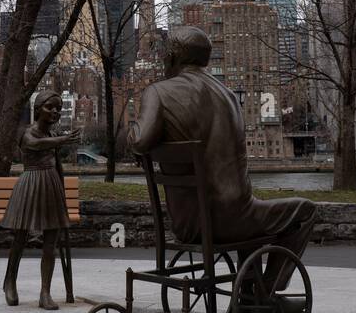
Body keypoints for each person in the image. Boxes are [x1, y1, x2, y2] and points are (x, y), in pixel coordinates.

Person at [127, 26, 316, 296]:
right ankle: (266, 292)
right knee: (306, 210)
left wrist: (132, 138)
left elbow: (139, 139)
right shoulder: (229, 96)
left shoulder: (158, 92)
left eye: (165, 54)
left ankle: (255, 297)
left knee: (262, 217)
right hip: (237, 218)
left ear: (173, 56)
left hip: (190, 224)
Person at [1, 91, 79, 310]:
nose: (54, 112)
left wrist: (61, 190)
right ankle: (10, 281)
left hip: (51, 185)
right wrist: (63, 140)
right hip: (30, 184)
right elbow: (36, 145)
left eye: (58, 108)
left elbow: (56, 162)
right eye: (49, 107)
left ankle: (45, 292)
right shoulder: (28, 133)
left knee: (50, 241)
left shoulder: (52, 134)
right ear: (37, 109)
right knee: (20, 236)